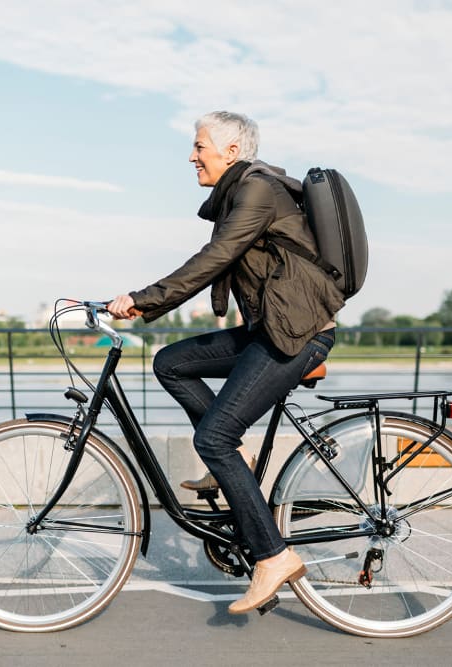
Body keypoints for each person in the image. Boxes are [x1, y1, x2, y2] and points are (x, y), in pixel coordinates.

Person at [108, 111, 345, 615]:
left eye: (199, 146)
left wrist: (143, 300)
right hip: (271, 329)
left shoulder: (256, 191)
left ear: (231, 152)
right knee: (171, 362)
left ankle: (273, 556)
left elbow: (215, 258)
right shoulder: (241, 192)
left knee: (211, 437)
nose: (192, 155)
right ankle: (234, 465)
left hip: (297, 335)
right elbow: (217, 257)